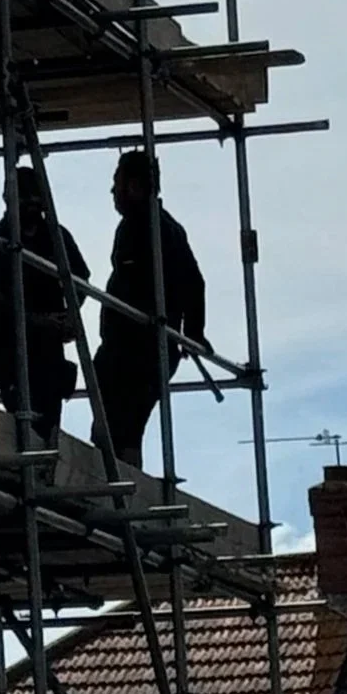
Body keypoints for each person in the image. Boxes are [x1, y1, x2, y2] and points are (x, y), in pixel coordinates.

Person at [94, 150, 207, 466]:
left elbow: (186, 282)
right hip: (148, 348)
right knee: (124, 429)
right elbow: (195, 282)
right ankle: (123, 490)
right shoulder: (166, 227)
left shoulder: (143, 226)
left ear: (132, 185)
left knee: (117, 427)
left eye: (116, 183)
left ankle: (122, 495)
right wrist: (193, 331)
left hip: (134, 349)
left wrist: (191, 332)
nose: (112, 192)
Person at [0, 166, 90, 443]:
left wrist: (69, 317)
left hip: (48, 350)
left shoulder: (56, 236)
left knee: (48, 421)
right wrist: (35, 321)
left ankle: (41, 470)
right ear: (8, 197)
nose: (31, 203)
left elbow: (80, 280)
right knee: (21, 421)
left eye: (35, 196)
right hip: (10, 348)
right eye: (25, 196)